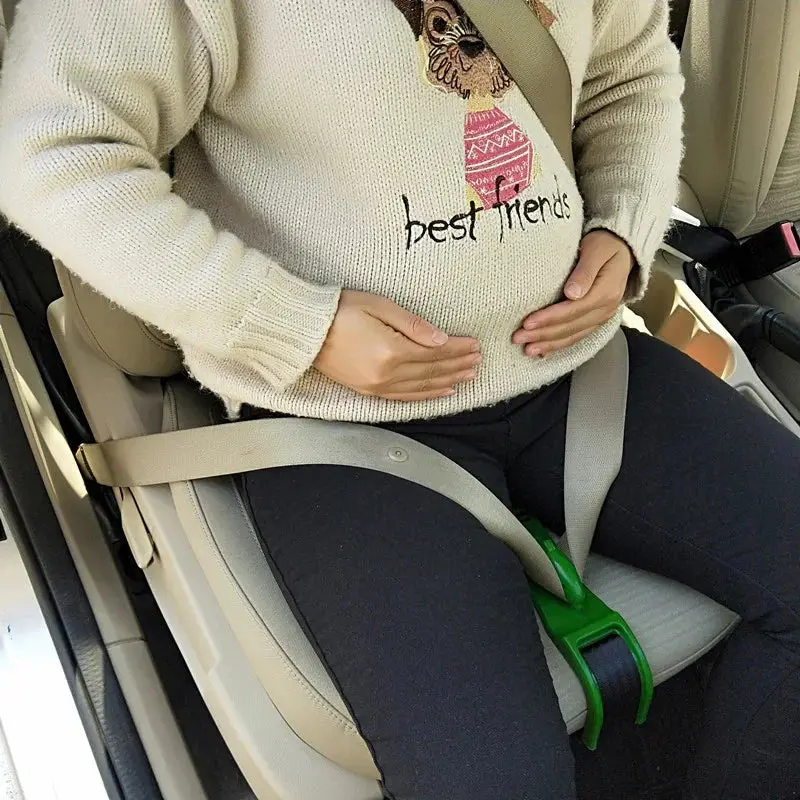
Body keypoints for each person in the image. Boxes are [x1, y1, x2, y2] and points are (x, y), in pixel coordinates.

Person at [0, 1, 798, 797]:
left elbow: (629, 74)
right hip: (338, 422)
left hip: (581, 368)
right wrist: (298, 327)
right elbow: (51, 149)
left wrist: (625, 227)